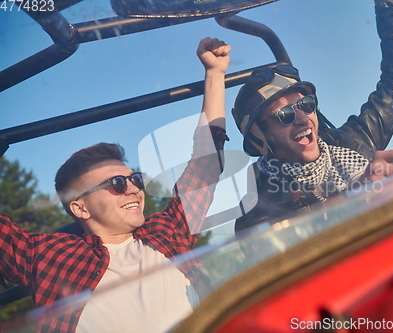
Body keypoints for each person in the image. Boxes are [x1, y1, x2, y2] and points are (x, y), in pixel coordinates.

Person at [0, 37, 230, 333]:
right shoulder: (47, 256)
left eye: (134, 179)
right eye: (117, 183)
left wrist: (215, 73)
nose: (134, 188)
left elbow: (205, 164)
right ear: (80, 207)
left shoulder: (166, 232)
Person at [232, 0, 393, 234]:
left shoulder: (353, 141)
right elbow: (271, 248)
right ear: (260, 139)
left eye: (306, 104)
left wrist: (392, 6)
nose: (303, 118)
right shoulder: (257, 205)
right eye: (285, 114)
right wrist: (352, 200)